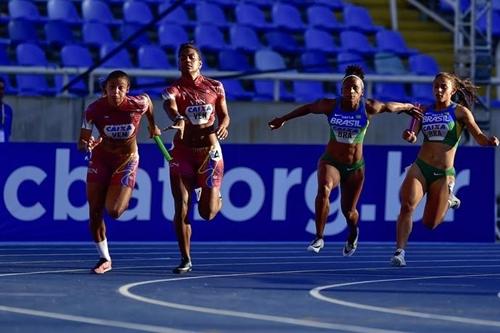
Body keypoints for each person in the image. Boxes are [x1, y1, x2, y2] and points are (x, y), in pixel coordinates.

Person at [268, 65, 423, 256]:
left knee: (349, 212)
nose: (350, 91)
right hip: (331, 162)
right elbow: (308, 108)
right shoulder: (330, 105)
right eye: (347, 88)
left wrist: (408, 107)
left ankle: (353, 232)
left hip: (355, 168)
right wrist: (283, 119)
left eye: (355, 88)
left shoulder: (369, 107)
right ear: (341, 91)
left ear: (362, 92)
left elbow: (390, 107)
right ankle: (319, 237)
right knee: (324, 189)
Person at [391, 72, 499, 267]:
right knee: (407, 206)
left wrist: (490, 142)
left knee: (430, 223)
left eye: (443, 87)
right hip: (421, 167)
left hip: (443, 173)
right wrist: (409, 136)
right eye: (436, 86)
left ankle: (448, 202)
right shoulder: (423, 110)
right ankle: (400, 252)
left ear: (453, 90)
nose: (439, 90)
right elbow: (413, 134)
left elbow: (479, 137)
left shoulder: (460, 112)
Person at [77, 70, 161, 274]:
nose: (116, 92)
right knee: (95, 212)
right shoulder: (93, 110)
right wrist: (86, 144)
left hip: (126, 160)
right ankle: (104, 258)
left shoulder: (137, 104)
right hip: (101, 159)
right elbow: (81, 143)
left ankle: (121, 190)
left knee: (114, 211)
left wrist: (152, 125)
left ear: (127, 90)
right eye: (112, 87)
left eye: (120, 88)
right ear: (105, 88)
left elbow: (149, 103)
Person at [162, 42, 230, 274]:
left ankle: (214, 194)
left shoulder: (215, 86)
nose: (186, 60)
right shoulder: (173, 89)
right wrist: (179, 118)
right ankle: (185, 258)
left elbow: (225, 115)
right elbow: (169, 105)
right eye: (182, 57)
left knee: (208, 214)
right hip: (182, 152)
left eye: (191, 56)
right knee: (181, 206)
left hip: (209, 152)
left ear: (200, 62)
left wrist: (223, 126)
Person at [0, 77, 13, 143]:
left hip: (4, 148)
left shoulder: (8, 110)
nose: (0, 91)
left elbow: (8, 132)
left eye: (2, 89)